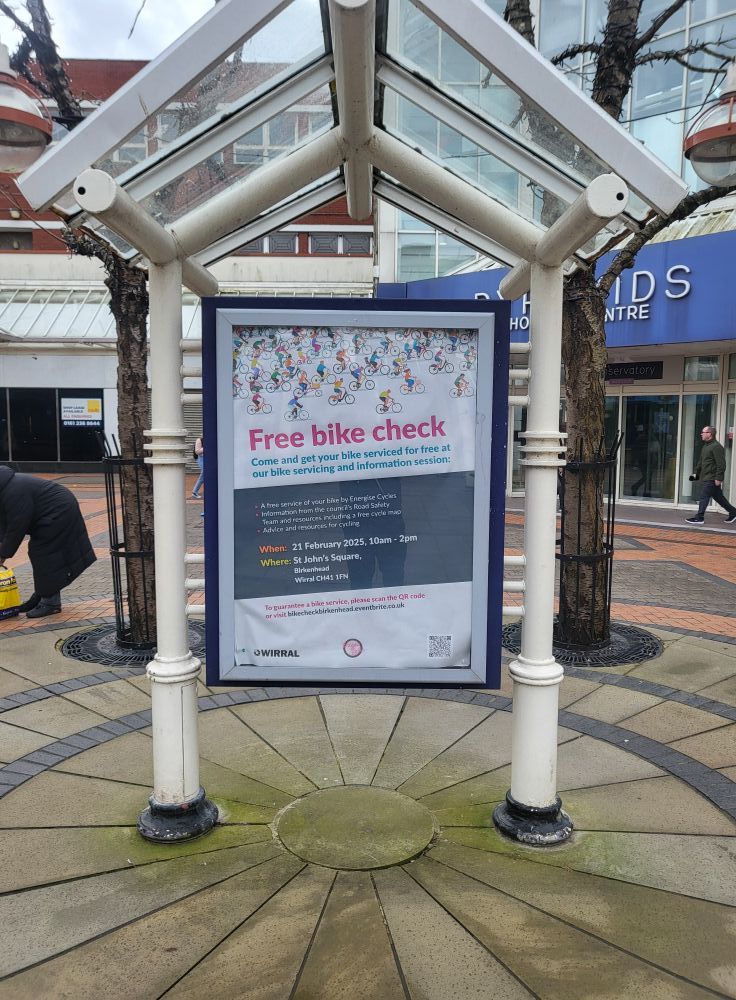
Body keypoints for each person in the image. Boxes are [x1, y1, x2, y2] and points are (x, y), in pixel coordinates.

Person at [0, 466, 96, 618]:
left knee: (45, 554)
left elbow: (16, 526)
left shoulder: (13, 491)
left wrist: (3, 554)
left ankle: (50, 603)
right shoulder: (6, 487)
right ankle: (42, 595)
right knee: (41, 553)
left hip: (59, 511)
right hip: (54, 511)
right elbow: (4, 523)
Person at [686, 425, 736, 525]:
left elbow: (721, 464)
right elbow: (701, 462)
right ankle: (733, 512)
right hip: (706, 477)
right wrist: (696, 475)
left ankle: (699, 517)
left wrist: (718, 478)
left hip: (712, 478)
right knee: (719, 498)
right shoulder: (706, 446)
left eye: (703, 432)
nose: (701, 434)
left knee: (704, 496)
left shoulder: (717, 447)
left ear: (709, 434)